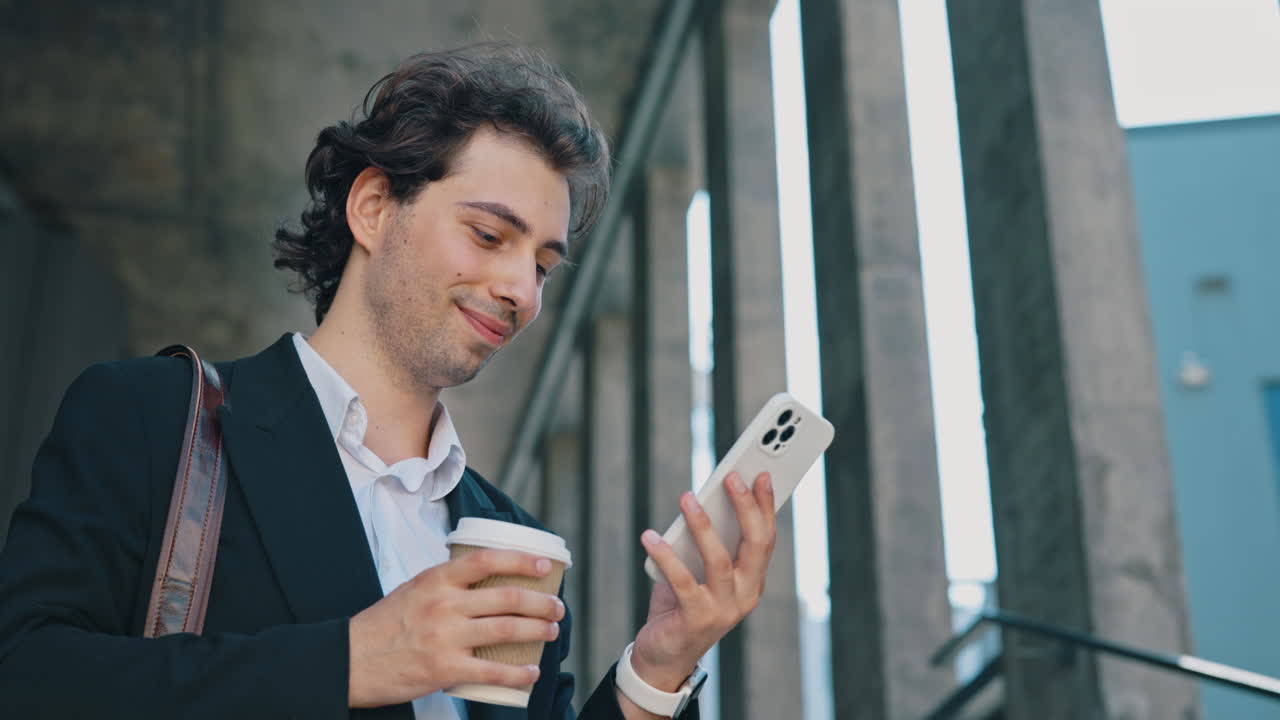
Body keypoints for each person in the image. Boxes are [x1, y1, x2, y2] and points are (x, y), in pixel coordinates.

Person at [0, 45, 779, 719]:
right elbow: (26, 680)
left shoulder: (513, 545)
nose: (522, 290)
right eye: (488, 234)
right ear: (374, 207)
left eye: (541, 264)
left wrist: (658, 665)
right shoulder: (150, 419)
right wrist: (347, 662)